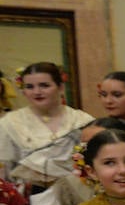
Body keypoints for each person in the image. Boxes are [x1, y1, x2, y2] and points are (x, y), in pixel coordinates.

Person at [0, 62, 96, 191]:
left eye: (44, 85)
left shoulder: (82, 120)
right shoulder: (10, 123)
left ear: (60, 87)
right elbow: (4, 171)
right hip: (28, 200)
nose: (37, 92)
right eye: (29, 87)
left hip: (79, 195)